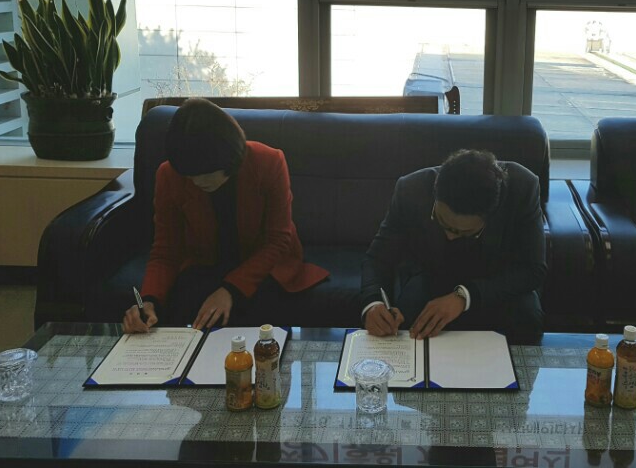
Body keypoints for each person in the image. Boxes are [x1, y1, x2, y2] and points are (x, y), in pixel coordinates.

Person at [122, 98, 329, 333]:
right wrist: (149, 300)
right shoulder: (169, 175)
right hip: (206, 265)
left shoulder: (268, 162)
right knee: (181, 311)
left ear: (230, 158)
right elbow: (166, 249)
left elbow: (278, 240)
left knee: (258, 314)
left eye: (207, 173)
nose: (198, 181)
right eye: (190, 175)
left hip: (266, 266)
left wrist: (230, 289)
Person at [360, 149, 546, 343]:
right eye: (442, 222)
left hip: (497, 283)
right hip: (432, 277)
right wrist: (373, 303)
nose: (450, 236)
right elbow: (378, 258)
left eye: (464, 232)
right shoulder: (411, 189)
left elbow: (533, 269)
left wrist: (464, 296)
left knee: (527, 318)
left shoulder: (523, 187)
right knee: (405, 323)